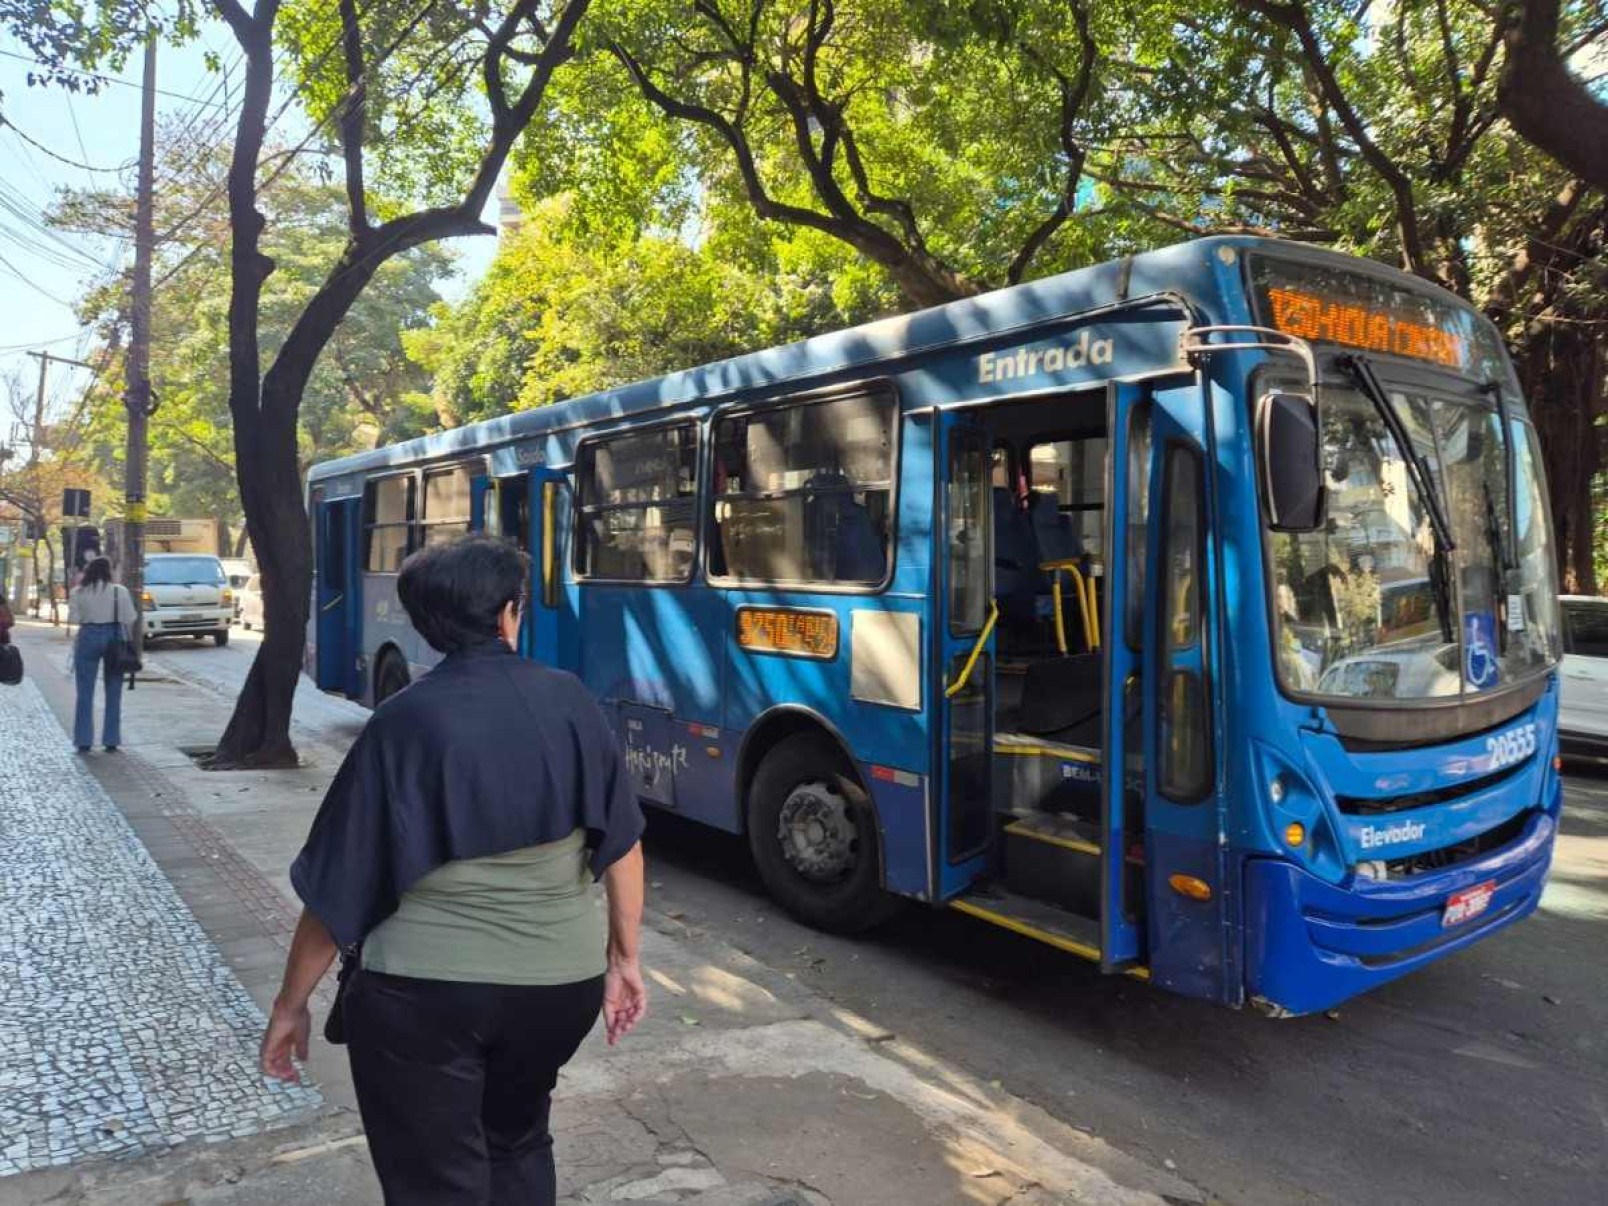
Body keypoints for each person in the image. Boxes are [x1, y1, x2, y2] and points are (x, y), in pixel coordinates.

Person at [259, 535, 648, 1206]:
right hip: (559, 990)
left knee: (435, 1177)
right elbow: (622, 847)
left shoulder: (402, 721)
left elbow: (338, 885)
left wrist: (289, 1007)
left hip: (424, 1000)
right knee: (519, 1141)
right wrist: (625, 960)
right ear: (507, 615)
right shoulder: (570, 700)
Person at [67, 558, 135, 753]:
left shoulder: (78, 592)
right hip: (114, 636)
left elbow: (74, 619)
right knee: (114, 691)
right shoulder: (119, 591)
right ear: (109, 571)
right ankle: (111, 739)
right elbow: (130, 617)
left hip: (88, 636)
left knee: (84, 692)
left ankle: (83, 740)